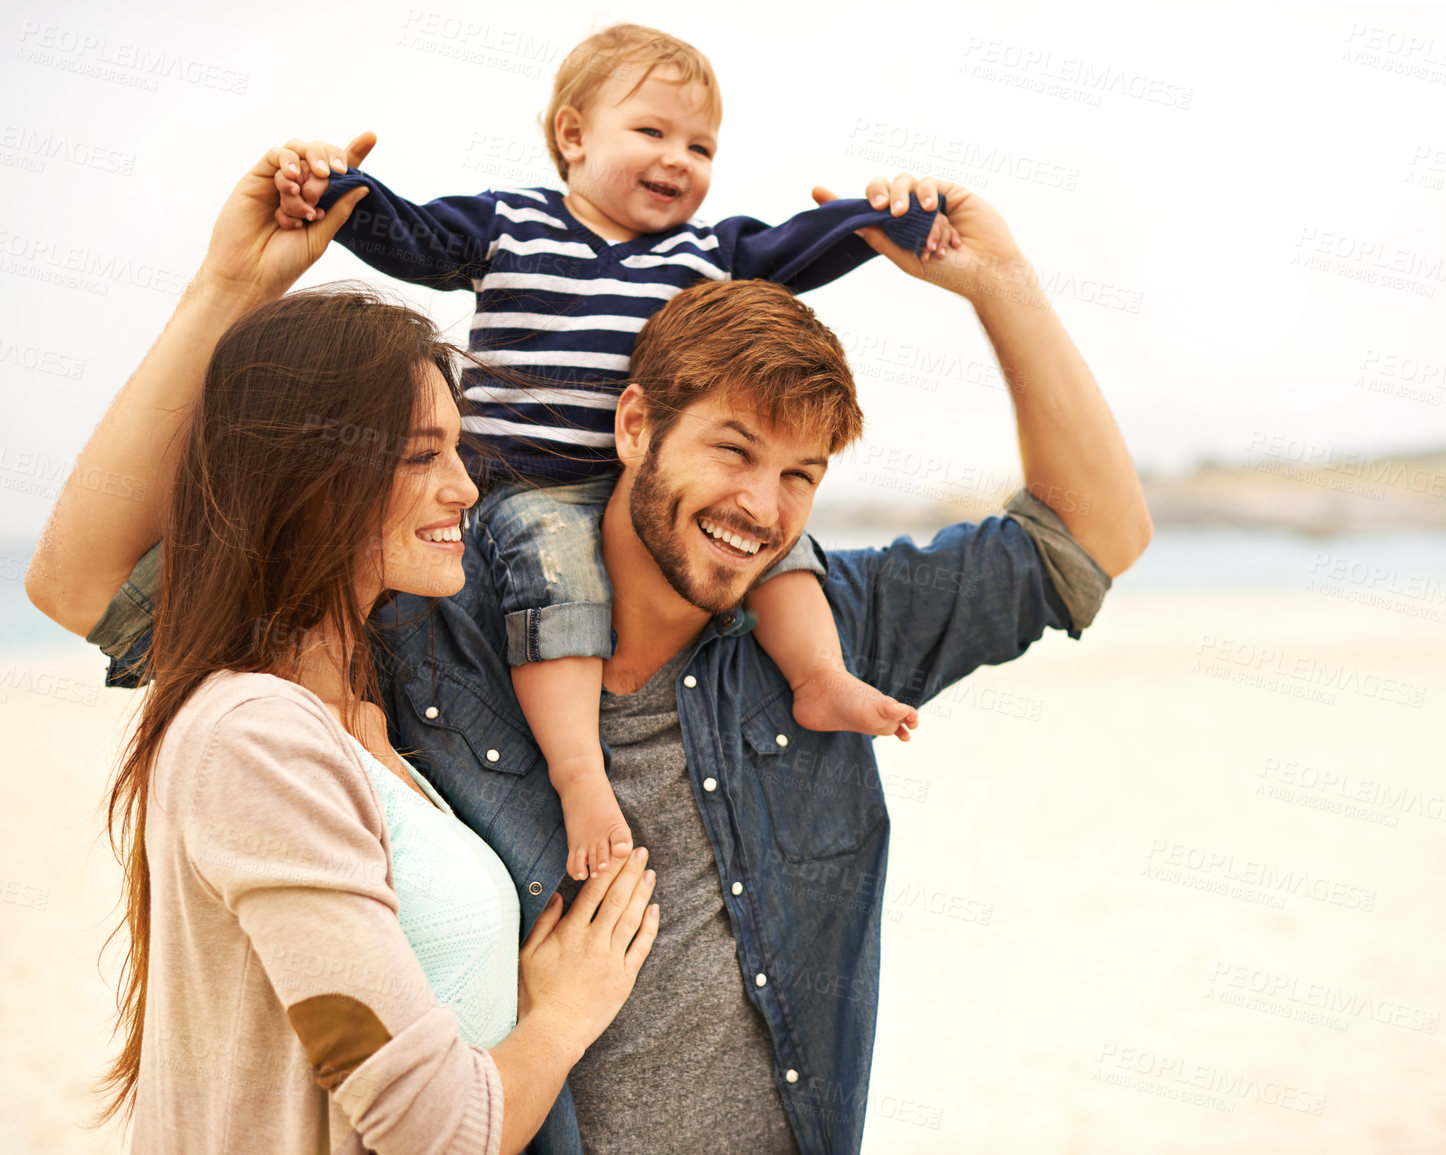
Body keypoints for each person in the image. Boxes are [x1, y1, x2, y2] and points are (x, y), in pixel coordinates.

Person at [34, 145, 1152, 1151]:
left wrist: (999, 281)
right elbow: (81, 579)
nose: (762, 508)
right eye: (732, 449)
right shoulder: (434, 627)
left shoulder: (823, 637)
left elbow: (1093, 536)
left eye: (801, 476)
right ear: (632, 427)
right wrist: (232, 288)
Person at [25, 149, 660, 1155]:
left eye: (459, 449)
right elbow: (436, 1130)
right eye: (420, 457)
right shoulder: (258, 735)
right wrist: (567, 1012)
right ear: (311, 479)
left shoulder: (371, 693)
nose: (463, 488)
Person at [273, 22, 958, 883]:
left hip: (634, 488)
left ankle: (818, 674)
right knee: (562, 578)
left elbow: (806, 243)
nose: (680, 158)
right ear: (572, 135)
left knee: (788, 544)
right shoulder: (511, 223)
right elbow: (410, 236)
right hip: (525, 488)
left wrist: (891, 213)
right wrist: (337, 188)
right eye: (652, 132)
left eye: (700, 145)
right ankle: (580, 773)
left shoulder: (705, 254)